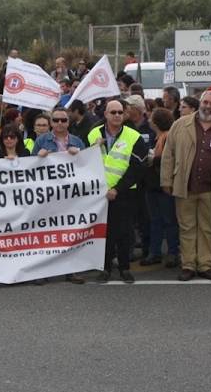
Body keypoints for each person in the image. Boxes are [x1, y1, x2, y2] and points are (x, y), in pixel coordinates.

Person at [160, 91, 211, 282]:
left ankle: (205, 265)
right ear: (200, 103)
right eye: (206, 102)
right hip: (185, 186)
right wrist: (166, 180)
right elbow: (168, 155)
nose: (208, 107)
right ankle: (188, 265)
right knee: (187, 228)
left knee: (207, 228)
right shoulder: (180, 124)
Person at [87, 100, 146, 284]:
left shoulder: (134, 136)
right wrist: (93, 148)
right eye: (113, 112)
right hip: (99, 194)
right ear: (105, 114)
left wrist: (116, 189)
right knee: (104, 233)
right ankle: (105, 268)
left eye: (120, 112)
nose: (117, 115)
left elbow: (137, 169)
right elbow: (83, 162)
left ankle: (124, 268)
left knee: (123, 232)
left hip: (124, 193)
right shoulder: (92, 134)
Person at [34, 107, 85, 285]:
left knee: (70, 233)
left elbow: (87, 166)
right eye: (56, 120)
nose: (59, 123)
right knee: (47, 233)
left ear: (68, 122)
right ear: (51, 123)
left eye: (63, 120)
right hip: (48, 195)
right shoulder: (41, 141)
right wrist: (37, 157)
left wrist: (79, 155)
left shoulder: (77, 141)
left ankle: (72, 270)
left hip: (71, 196)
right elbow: (30, 169)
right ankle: (43, 271)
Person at [140, 108, 180, 269]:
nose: (148, 120)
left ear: (156, 122)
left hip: (164, 184)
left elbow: (170, 158)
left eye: (150, 118)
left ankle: (172, 253)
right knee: (155, 220)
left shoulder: (168, 137)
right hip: (152, 185)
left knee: (169, 220)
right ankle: (155, 251)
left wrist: (154, 160)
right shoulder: (154, 137)